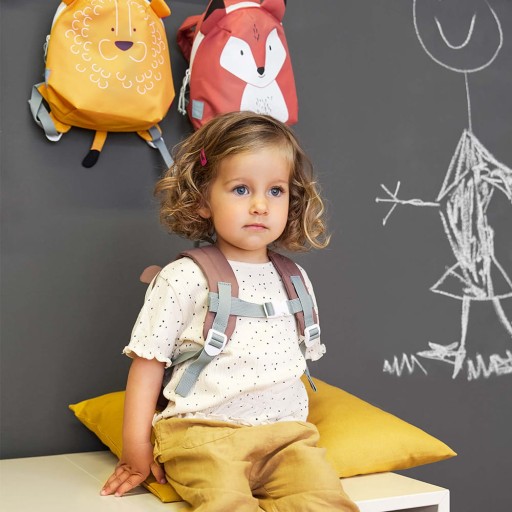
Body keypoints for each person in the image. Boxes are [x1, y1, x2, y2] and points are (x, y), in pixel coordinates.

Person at [101, 111, 359, 512]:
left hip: (287, 439)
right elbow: (148, 363)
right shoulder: (184, 277)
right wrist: (135, 448)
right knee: (226, 505)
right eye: (241, 189)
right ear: (203, 200)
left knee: (327, 503)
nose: (260, 205)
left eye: (275, 191)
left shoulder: (295, 279)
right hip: (202, 435)